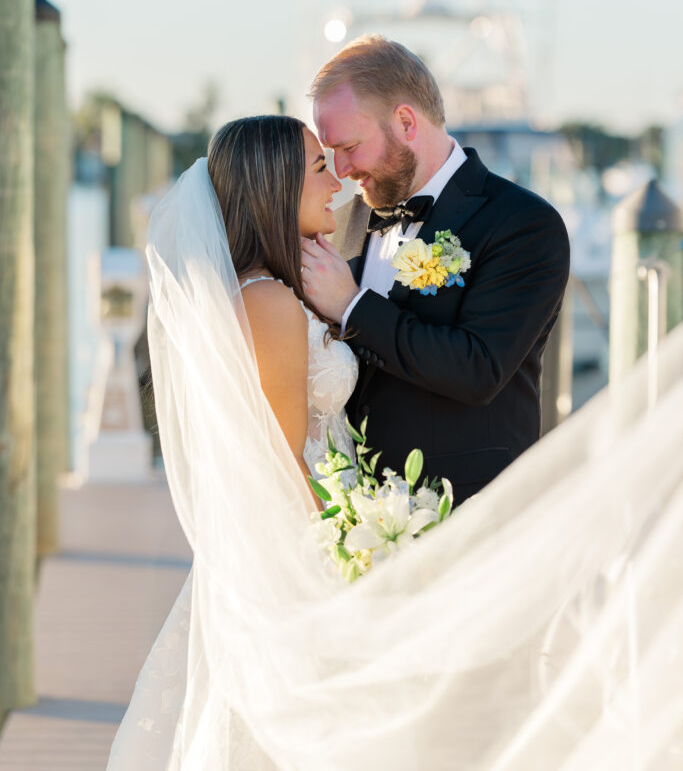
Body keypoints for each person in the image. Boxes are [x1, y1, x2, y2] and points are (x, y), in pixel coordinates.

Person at [108, 114, 683, 770]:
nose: (337, 183)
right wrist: (339, 569)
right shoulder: (268, 302)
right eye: (319, 167)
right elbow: (280, 464)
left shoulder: (281, 288)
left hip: (323, 534)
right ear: (276, 185)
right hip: (303, 550)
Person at [302, 35, 571, 505]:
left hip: (471, 511)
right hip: (355, 515)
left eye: (349, 147)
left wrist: (352, 307)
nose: (341, 171)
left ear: (406, 122)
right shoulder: (339, 227)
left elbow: (478, 368)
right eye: (331, 153)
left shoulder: (523, 224)